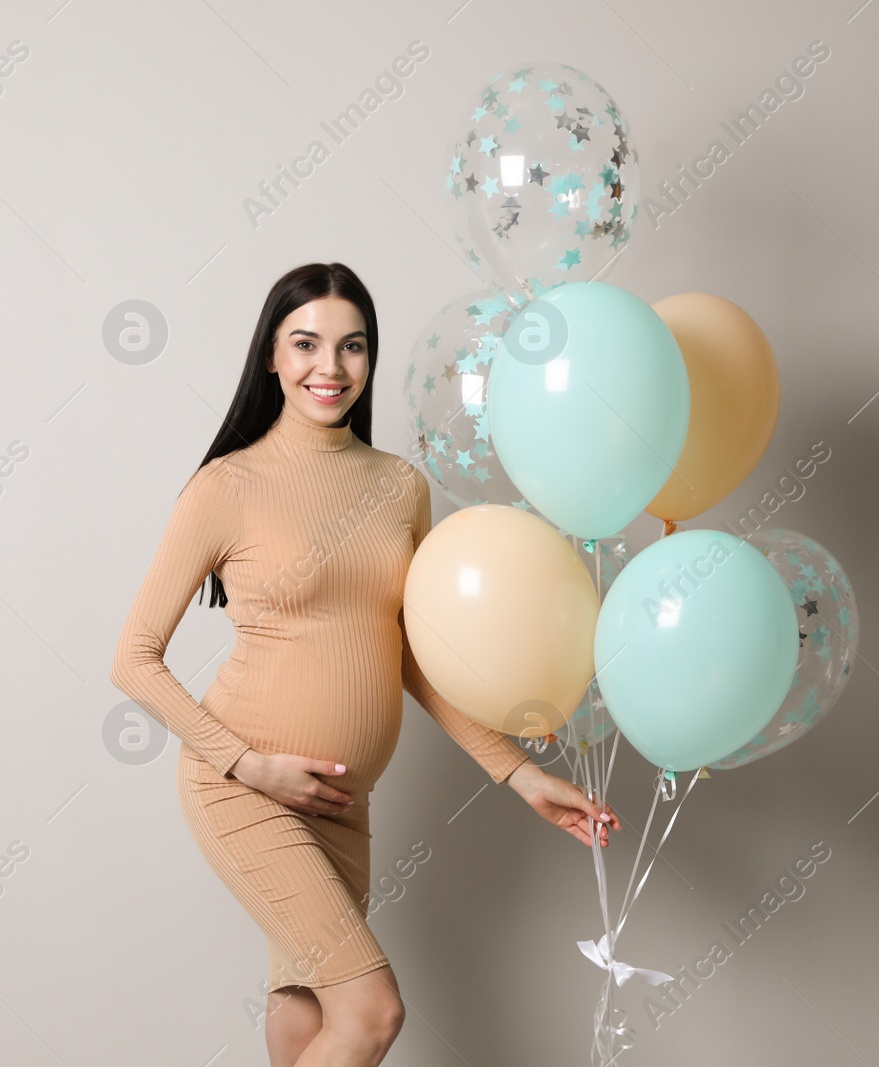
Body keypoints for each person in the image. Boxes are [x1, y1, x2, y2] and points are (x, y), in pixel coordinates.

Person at [110, 262, 620, 1066]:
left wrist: (520, 774)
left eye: (353, 347)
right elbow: (133, 659)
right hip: (245, 787)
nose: (331, 367)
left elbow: (420, 657)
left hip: (344, 801)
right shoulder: (228, 486)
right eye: (306, 343)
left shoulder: (397, 488)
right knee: (373, 1010)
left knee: (307, 1004)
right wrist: (249, 763)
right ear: (271, 356)